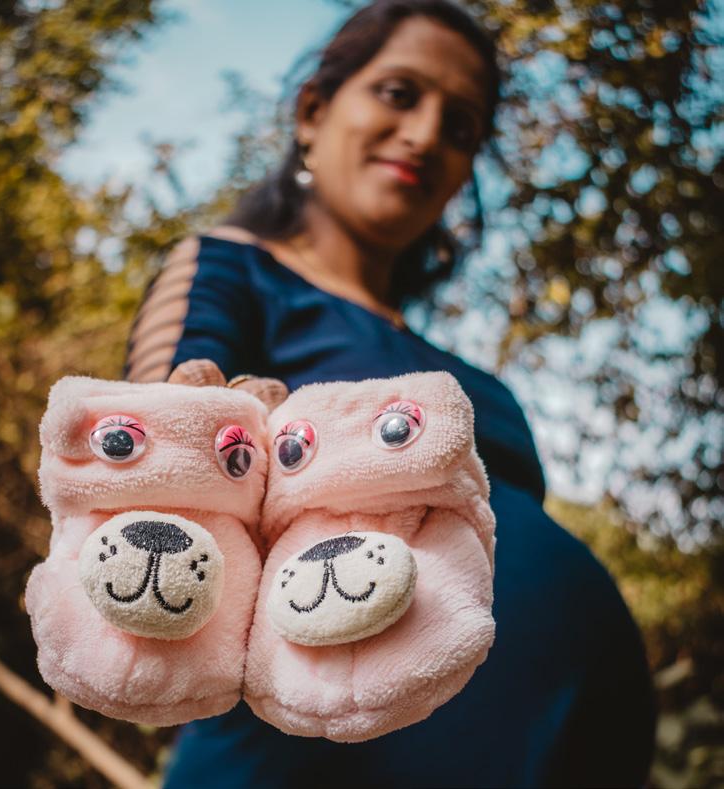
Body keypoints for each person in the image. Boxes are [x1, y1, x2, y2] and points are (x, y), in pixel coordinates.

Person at [125, 1, 656, 785]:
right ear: (313, 113)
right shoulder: (232, 267)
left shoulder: (458, 372)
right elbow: (157, 445)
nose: (427, 134)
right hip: (319, 757)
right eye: (400, 94)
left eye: (461, 127)